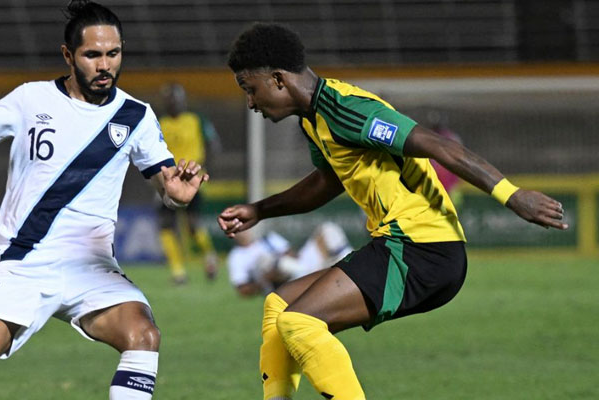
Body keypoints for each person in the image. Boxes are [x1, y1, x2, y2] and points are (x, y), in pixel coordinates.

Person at [0, 1, 208, 399]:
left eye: (113, 53)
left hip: (92, 268)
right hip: (27, 263)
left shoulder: (136, 116)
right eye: (93, 55)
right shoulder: (31, 100)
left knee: (144, 336)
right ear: (68, 55)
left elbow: (167, 185)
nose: (105, 65)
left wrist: (178, 196)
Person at [217, 23, 567, 400]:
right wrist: (260, 209)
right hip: (403, 244)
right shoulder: (314, 120)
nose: (251, 103)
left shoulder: (345, 109)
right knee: (279, 305)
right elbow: (326, 182)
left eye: (250, 90)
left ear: (278, 79)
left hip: (423, 248)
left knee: (301, 323)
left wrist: (512, 196)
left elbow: (435, 145)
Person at [156, 82, 222, 284]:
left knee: (192, 226)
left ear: (183, 100)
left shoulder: (196, 120)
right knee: (167, 225)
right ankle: (178, 273)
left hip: (192, 180)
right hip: (168, 180)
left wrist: (207, 169)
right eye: (169, 100)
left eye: (175, 99)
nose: (173, 103)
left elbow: (213, 144)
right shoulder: (160, 123)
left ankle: (209, 256)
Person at [227, 222, 352, 297]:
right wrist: (264, 281)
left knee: (328, 229)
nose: (243, 232)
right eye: (238, 229)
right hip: (281, 285)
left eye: (244, 227)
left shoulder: (268, 239)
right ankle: (322, 272)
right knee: (267, 261)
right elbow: (242, 289)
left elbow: (292, 254)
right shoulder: (236, 256)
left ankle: (348, 265)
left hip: (299, 265)